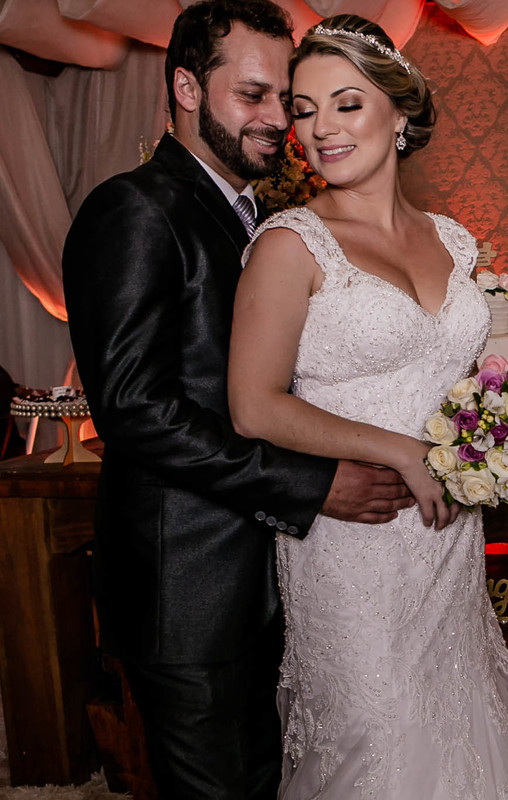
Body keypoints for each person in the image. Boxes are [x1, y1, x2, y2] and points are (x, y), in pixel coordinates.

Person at [61, 2, 412, 798]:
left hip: (269, 579)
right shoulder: (135, 208)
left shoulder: (256, 217)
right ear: (185, 86)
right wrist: (311, 484)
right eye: (251, 95)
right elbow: (131, 408)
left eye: (283, 99)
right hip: (185, 595)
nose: (275, 120)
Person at [226, 15, 508, 799]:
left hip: (448, 538)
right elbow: (252, 407)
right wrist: (404, 451)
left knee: (464, 716)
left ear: (399, 112)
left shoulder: (453, 242)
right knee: (374, 736)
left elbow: (486, 370)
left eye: (345, 104)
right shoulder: (291, 244)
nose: (320, 130)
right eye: (305, 109)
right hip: (353, 541)